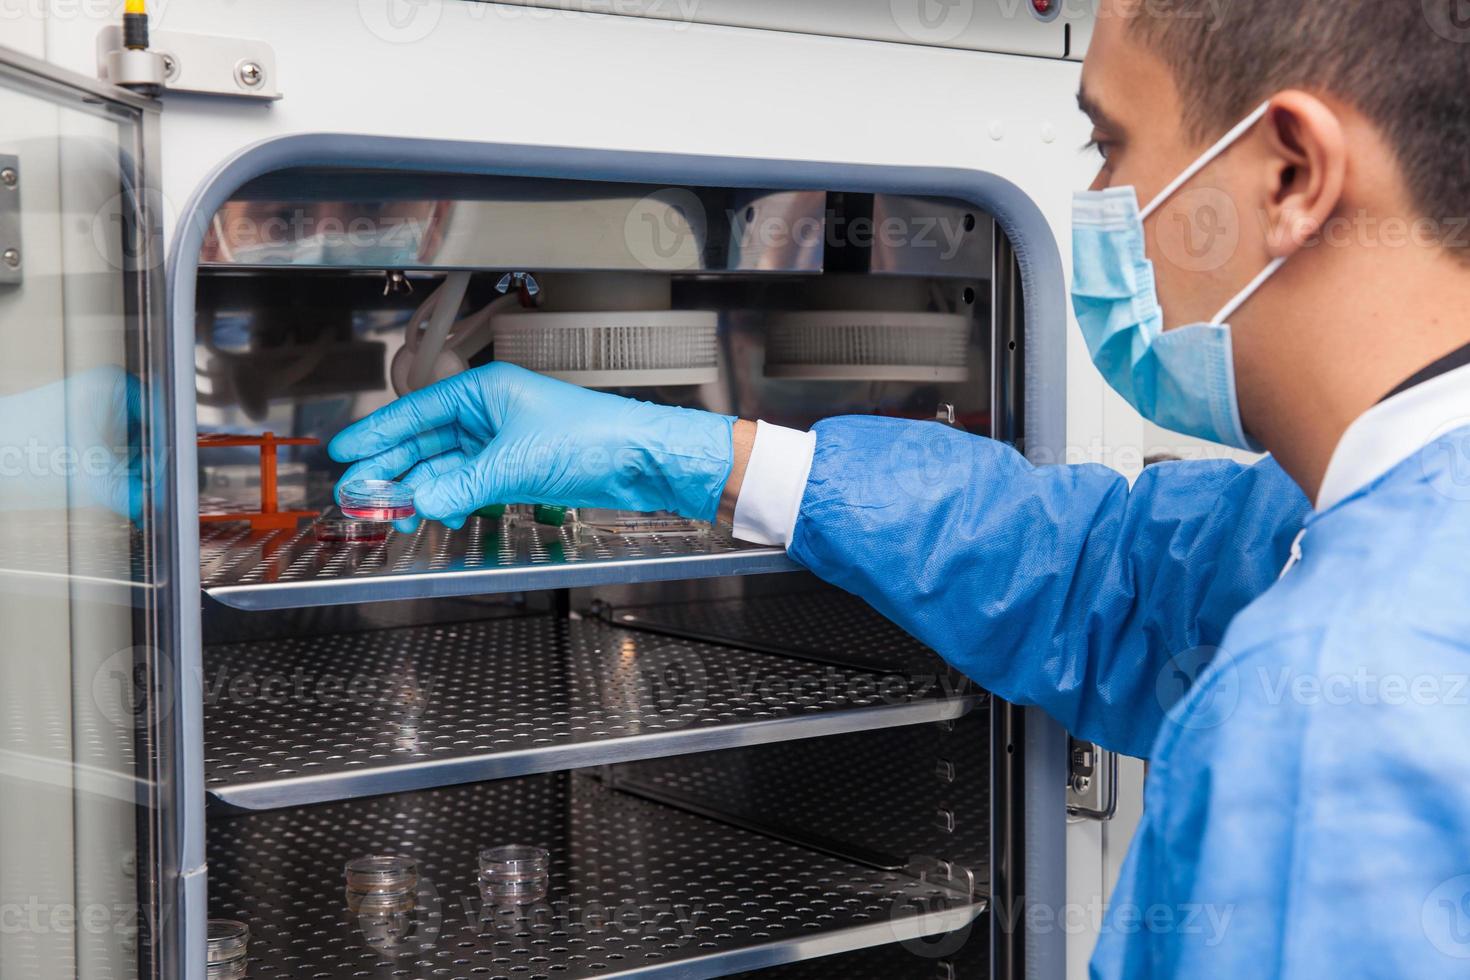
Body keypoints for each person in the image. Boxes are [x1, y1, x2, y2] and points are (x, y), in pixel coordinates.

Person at [329, 1, 1470, 974]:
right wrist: (670, 449)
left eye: (1109, 150)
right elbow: (1106, 577)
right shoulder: (1378, 523)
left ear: (1291, 173)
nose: (1104, 204)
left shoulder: (1332, 722)